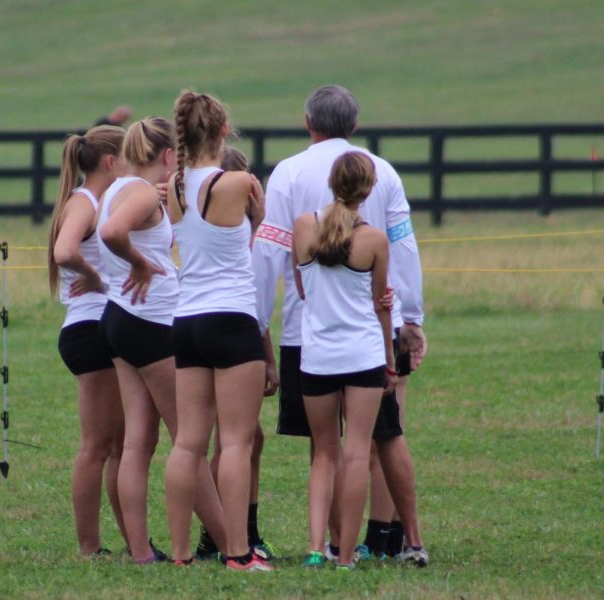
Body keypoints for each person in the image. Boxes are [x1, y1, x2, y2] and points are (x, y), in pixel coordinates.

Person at [252, 84, 429, 566]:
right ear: (354, 124)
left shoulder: (288, 172)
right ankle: (398, 538)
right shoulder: (383, 170)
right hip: (371, 333)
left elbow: (269, 252)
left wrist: (256, 321)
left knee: (323, 448)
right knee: (384, 436)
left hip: (307, 334)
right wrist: (412, 319)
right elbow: (403, 248)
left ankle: (330, 545)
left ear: (308, 122)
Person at [98, 117, 227, 564]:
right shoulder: (136, 192)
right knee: (188, 439)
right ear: (169, 156)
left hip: (120, 319)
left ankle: (140, 552)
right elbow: (112, 234)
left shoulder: (119, 188)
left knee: (138, 442)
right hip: (150, 323)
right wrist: (137, 262)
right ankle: (231, 545)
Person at [163, 91, 273, 571]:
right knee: (236, 442)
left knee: (188, 442)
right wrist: (261, 218)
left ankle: (183, 554)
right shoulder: (239, 182)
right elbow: (246, 242)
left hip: (185, 321)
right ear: (224, 131)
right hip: (230, 320)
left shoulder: (174, 186)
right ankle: (237, 553)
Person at [293, 151, 396, 569]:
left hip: (317, 356)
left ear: (332, 184)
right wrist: (390, 361)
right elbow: (381, 305)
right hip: (363, 355)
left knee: (323, 453)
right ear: (368, 190)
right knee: (356, 454)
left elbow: (303, 288)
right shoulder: (374, 240)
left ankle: (317, 549)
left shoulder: (303, 226)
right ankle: (347, 555)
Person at [47, 124, 128, 557]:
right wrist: (95, 278)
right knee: (97, 447)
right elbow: (64, 252)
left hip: (100, 328)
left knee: (118, 445)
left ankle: (134, 540)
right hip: (89, 331)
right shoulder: (85, 201)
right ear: (111, 162)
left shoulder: (102, 200)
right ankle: (89, 546)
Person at [194, 146, 277, 562]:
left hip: (193, 328)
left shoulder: (205, 222)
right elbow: (254, 304)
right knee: (234, 443)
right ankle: (226, 537)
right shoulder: (241, 236)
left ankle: (232, 533)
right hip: (231, 333)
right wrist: (270, 359)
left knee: (229, 440)